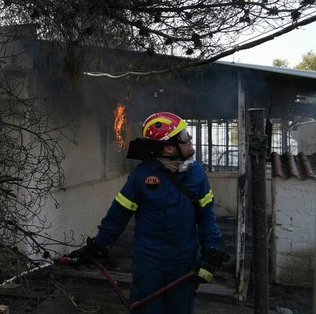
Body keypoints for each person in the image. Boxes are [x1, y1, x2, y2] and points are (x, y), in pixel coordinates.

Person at [65, 111, 228, 314]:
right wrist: (98, 245)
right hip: (148, 263)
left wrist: (210, 250)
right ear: (169, 148)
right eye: (185, 136)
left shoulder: (197, 175)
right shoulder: (141, 176)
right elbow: (119, 215)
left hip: (183, 263)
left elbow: (206, 216)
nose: (190, 138)